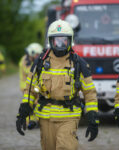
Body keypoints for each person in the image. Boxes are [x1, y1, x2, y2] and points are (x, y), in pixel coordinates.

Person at [16, 19, 99, 150]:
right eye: (57, 40)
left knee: (66, 147)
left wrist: (92, 117)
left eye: (63, 40)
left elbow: (90, 93)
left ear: (70, 41)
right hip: (45, 117)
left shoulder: (78, 64)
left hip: (69, 117)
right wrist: (23, 112)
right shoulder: (40, 62)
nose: (60, 44)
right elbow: (30, 90)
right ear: (51, 41)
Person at [19, 42, 43, 129]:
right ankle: (28, 121)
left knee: (36, 102)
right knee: (30, 103)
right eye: (36, 54)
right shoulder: (25, 61)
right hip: (26, 86)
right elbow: (31, 72)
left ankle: (34, 120)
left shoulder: (30, 60)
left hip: (32, 86)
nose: (38, 56)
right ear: (31, 53)